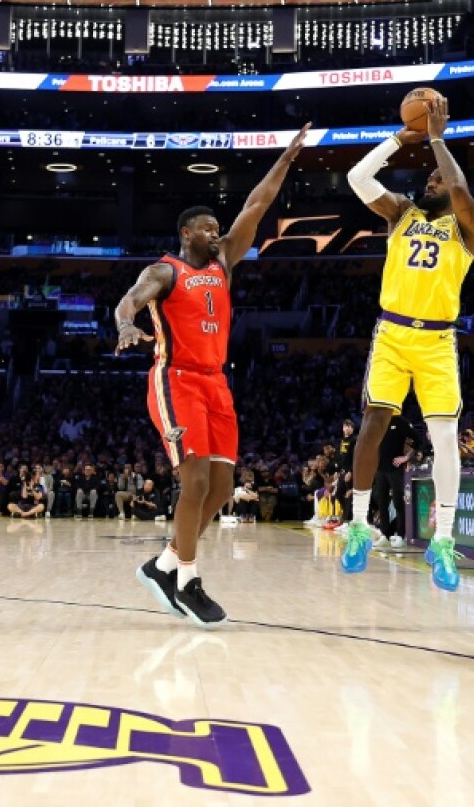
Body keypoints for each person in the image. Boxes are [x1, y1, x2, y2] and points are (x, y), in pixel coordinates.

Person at [116, 124, 309, 627]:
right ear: (186, 233)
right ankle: (188, 579)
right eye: (206, 228)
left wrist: (285, 160)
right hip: (175, 379)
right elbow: (130, 299)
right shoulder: (165, 272)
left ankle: (162, 565)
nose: (215, 233)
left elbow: (256, 206)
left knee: (222, 488)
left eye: (217, 227)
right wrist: (123, 324)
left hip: (216, 383)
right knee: (195, 482)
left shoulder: (224, 262)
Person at [341, 95, 474, 592]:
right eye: (428, 178)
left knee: (446, 439)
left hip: (438, 341)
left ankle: (442, 542)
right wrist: (398, 141)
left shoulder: (468, 227)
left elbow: (462, 189)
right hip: (392, 333)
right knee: (372, 425)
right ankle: (359, 526)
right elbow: (358, 180)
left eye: (436, 180)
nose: (429, 181)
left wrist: (439, 140)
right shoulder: (401, 213)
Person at [371, 412, 415, 549]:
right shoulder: (377, 422)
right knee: (382, 503)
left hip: (395, 470)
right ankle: (385, 534)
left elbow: (418, 440)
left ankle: (401, 535)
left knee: (398, 503)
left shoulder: (401, 422)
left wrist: (406, 457)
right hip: (380, 470)